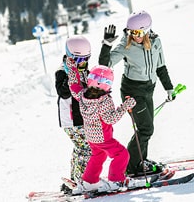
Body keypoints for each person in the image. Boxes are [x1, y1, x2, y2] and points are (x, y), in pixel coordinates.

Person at [98, 10, 175, 177]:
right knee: (145, 128)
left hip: (149, 89)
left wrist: (169, 88)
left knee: (147, 128)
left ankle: (140, 161)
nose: (135, 36)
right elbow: (104, 65)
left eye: (138, 32)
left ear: (147, 31)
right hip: (132, 91)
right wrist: (106, 44)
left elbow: (160, 67)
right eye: (131, 32)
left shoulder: (156, 42)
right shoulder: (126, 44)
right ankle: (131, 166)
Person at [65, 55, 141, 193]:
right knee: (121, 154)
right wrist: (125, 106)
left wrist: (72, 69)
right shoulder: (104, 101)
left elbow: (73, 85)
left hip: (91, 137)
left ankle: (89, 181)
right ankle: (116, 180)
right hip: (103, 137)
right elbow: (111, 119)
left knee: (98, 155)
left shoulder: (82, 95)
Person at [55, 36, 92, 193]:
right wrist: (72, 73)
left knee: (81, 149)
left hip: (83, 117)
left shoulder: (85, 71)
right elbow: (63, 92)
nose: (81, 64)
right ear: (69, 57)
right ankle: (80, 180)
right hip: (72, 120)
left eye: (85, 60)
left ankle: (73, 180)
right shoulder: (62, 72)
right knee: (86, 149)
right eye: (77, 60)